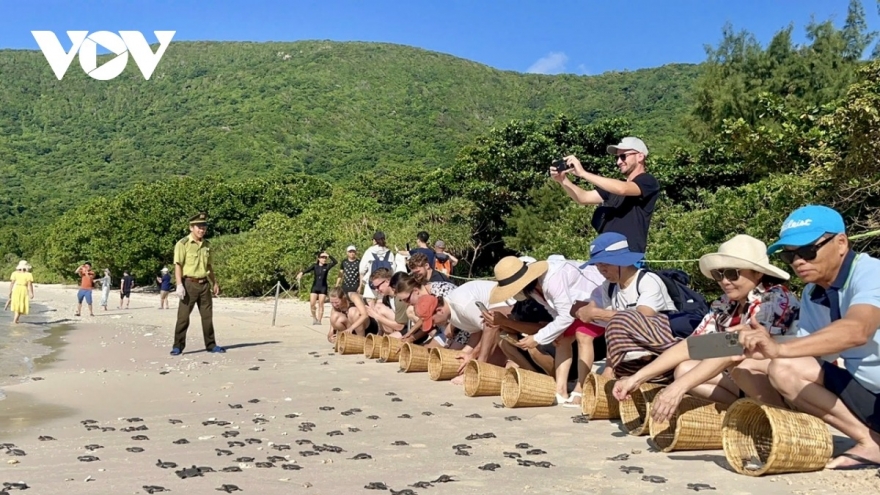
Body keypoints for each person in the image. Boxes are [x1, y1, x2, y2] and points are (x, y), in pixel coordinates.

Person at [735, 205, 880, 470]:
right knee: (745, 364)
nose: (798, 261)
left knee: (772, 363)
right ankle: (867, 441)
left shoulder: (871, 273)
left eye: (806, 251)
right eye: (789, 256)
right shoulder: (813, 291)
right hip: (866, 391)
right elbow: (699, 347)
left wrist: (774, 348)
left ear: (841, 243)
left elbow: (857, 331)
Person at [611, 234, 798, 423]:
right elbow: (691, 345)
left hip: (777, 376)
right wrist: (636, 378)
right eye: (719, 274)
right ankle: (745, 414)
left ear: (757, 273)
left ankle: (780, 417)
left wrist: (677, 388)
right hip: (738, 376)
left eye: (733, 273)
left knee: (740, 364)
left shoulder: (774, 298)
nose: (725, 281)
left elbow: (736, 348)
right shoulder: (724, 304)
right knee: (683, 368)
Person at [488, 255, 605, 407]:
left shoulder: (553, 280)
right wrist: (556, 332)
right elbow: (554, 310)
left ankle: (581, 389)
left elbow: (565, 316)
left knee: (583, 335)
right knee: (562, 339)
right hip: (575, 307)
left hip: (598, 299)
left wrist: (537, 338)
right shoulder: (533, 289)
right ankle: (560, 390)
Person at [575, 232, 679, 380]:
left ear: (621, 261)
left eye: (605, 264)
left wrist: (595, 313)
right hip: (632, 357)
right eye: (598, 265)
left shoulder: (647, 280)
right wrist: (609, 367)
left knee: (625, 318)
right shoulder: (608, 287)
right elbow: (611, 329)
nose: (601, 270)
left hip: (662, 349)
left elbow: (644, 315)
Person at [550, 136, 660, 254]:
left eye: (623, 156)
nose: (618, 162)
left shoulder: (648, 181)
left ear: (640, 156)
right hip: (604, 253)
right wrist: (562, 180)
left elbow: (622, 189)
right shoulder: (615, 186)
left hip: (628, 255)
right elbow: (583, 198)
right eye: (617, 157)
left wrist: (583, 173)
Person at [171, 212, 225, 356]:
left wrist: (215, 283)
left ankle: (211, 344)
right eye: (198, 227)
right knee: (183, 317)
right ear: (191, 228)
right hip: (189, 284)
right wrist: (179, 284)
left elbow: (209, 266)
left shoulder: (207, 245)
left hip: (204, 284)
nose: (202, 229)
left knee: (207, 317)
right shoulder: (183, 244)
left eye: (204, 227)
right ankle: (178, 346)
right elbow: (178, 265)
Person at [297, 251, 338, 325]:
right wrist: (301, 273)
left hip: (323, 287)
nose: (324, 259)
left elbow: (335, 262)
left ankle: (319, 320)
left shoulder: (327, 266)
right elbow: (307, 270)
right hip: (315, 287)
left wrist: (329, 255)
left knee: (321, 304)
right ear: (319, 258)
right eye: (322, 257)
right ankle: (314, 318)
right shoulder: (315, 266)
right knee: (312, 304)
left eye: (325, 258)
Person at [360, 231, 397, 301]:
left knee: (370, 305)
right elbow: (393, 269)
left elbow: (362, 269)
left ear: (374, 240)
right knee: (381, 304)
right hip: (384, 284)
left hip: (371, 283)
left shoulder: (369, 251)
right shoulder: (389, 252)